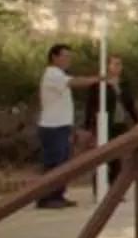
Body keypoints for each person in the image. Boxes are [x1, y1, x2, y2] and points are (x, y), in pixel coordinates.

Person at [33, 43, 96, 208]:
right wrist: (98, 79)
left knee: (63, 162)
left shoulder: (59, 75)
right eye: (65, 56)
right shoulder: (52, 74)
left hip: (61, 126)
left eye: (70, 57)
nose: (68, 60)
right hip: (52, 127)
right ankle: (47, 197)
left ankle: (57, 195)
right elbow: (75, 82)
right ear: (54, 57)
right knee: (54, 163)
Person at [100, 55, 138, 184]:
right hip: (105, 123)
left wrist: (137, 121)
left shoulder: (124, 84)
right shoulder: (100, 85)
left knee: (119, 156)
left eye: (120, 64)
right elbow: (92, 105)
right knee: (104, 156)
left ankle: (115, 185)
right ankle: (101, 186)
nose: (119, 67)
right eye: (115, 64)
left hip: (120, 122)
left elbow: (130, 104)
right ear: (108, 66)